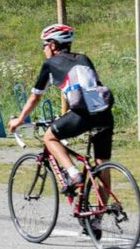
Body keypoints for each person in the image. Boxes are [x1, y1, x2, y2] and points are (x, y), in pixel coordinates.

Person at [7, 24, 114, 209]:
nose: (43, 49)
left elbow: (35, 97)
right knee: (102, 165)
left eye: (44, 45)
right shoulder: (83, 58)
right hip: (104, 115)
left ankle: (73, 174)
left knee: (49, 136)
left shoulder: (49, 64)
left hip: (82, 115)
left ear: (53, 45)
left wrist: (20, 119)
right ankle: (97, 218)